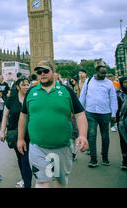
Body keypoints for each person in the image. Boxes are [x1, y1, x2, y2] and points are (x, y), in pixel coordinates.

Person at [18, 60, 88, 188]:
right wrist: (20, 138)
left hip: (62, 147)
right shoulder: (31, 92)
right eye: (39, 72)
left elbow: (79, 114)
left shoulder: (66, 91)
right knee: (42, 182)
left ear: (53, 72)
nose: (42, 74)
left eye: (45, 71)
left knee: (59, 182)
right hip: (37, 147)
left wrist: (83, 135)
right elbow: (24, 116)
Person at [79, 64, 118, 167]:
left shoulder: (109, 83)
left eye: (105, 73)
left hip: (105, 113)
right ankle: (93, 159)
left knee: (105, 136)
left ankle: (105, 158)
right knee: (91, 135)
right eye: (102, 73)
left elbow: (113, 99)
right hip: (90, 112)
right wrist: (79, 111)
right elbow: (83, 96)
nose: (104, 74)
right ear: (96, 71)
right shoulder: (88, 81)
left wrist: (114, 113)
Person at [0, 77, 32, 188]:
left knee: (26, 159)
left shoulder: (31, 98)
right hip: (14, 132)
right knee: (20, 158)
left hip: (29, 133)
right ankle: (24, 179)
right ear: (18, 87)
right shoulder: (11, 99)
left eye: (28, 84)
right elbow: (5, 115)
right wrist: (2, 131)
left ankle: (27, 184)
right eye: (24, 85)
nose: (26, 87)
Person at [117, 77, 127, 170]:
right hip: (121, 122)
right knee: (123, 141)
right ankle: (124, 161)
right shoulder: (118, 94)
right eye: (125, 82)